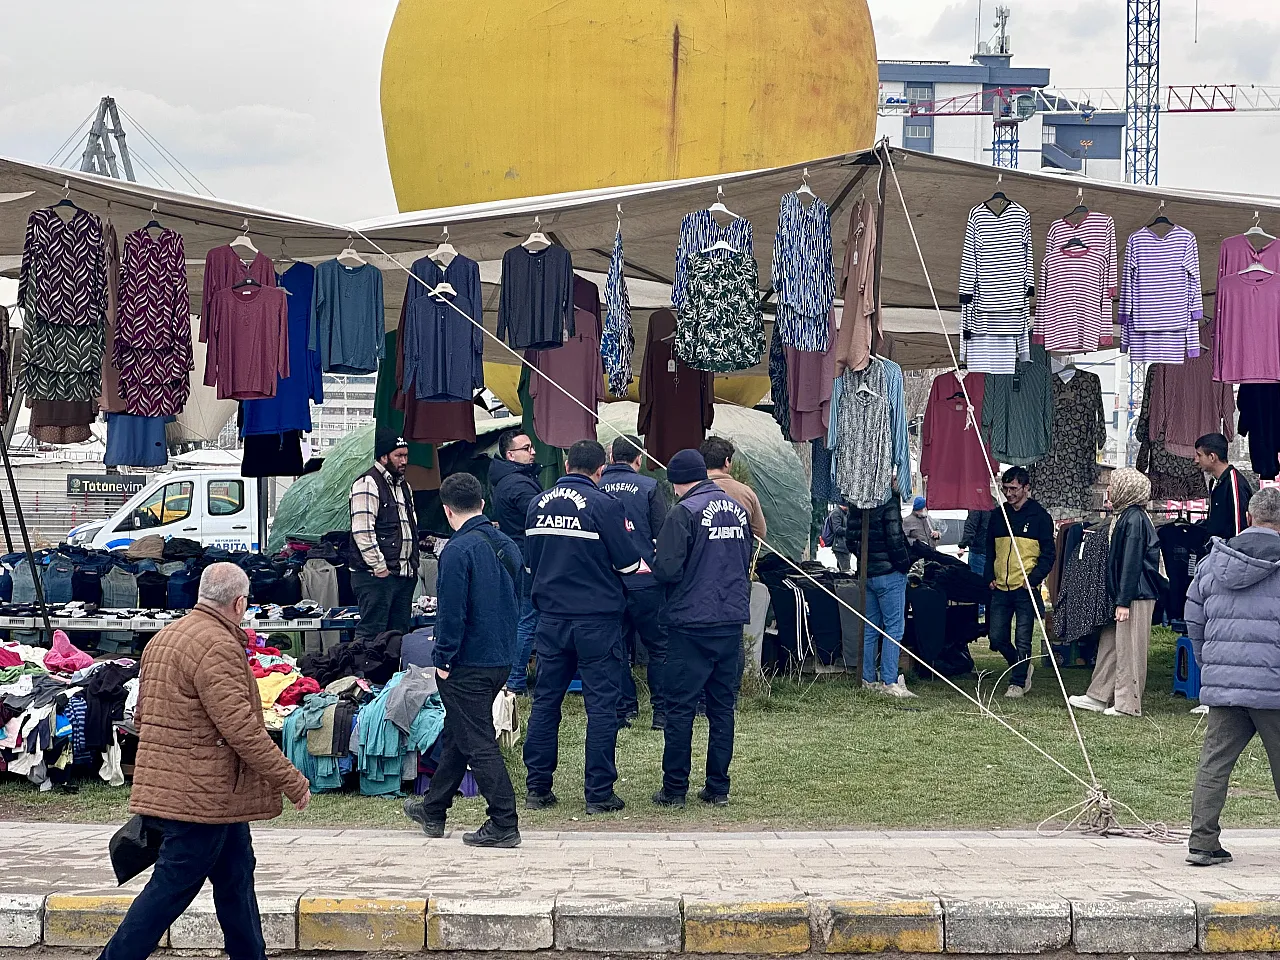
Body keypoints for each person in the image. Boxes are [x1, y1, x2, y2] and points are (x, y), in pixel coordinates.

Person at [96, 563, 310, 960]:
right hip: (202, 796)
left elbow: (142, 717)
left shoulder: (165, 637)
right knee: (170, 889)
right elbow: (242, 730)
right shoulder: (217, 646)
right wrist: (291, 779)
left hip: (196, 790)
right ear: (240, 602)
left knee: (236, 878)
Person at [522, 439, 642, 814]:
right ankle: (599, 793)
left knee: (545, 703)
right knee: (602, 706)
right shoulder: (606, 506)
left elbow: (530, 567)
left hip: (551, 620)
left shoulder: (535, 505)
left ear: (566, 463)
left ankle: (537, 788)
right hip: (597, 621)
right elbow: (628, 565)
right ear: (600, 469)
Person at [403, 473, 522, 847]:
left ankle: (504, 821)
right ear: (482, 503)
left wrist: (443, 658)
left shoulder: (457, 550)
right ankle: (433, 809)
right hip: (501, 655)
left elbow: (450, 613)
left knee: (478, 741)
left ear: (447, 510)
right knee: (459, 733)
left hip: (466, 662)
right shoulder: (506, 544)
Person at [1184, 485, 1280, 867]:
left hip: (1225, 685)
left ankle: (1201, 842)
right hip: (1274, 686)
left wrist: (1211, 664)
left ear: (1250, 517)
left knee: (1214, 763)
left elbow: (1193, 617)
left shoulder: (1213, 563)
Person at [651, 449, 753, 808]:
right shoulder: (737, 510)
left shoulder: (683, 512)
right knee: (722, 708)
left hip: (690, 623)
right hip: (730, 620)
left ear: (677, 482)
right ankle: (718, 788)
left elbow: (667, 570)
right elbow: (745, 556)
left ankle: (674, 789)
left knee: (680, 709)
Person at [1068, 468, 1163, 718]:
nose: (1109, 490)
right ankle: (1098, 695)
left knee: (1130, 649)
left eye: (1113, 484)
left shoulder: (1134, 519)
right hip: (1126, 594)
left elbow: (1131, 563)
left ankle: (1127, 703)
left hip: (1135, 595)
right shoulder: (1126, 516)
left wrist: (1123, 601)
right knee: (1111, 644)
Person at [599, 435, 670, 729]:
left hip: (607, 582)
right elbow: (663, 536)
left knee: (614, 649)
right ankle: (662, 713)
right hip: (645, 581)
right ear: (639, 460)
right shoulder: (651, 487)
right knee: (659, 648)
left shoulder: (595, 488)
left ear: (610, 456)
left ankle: (624, 710)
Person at [985, 466, 1056, 698]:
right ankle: (1021, 666)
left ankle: (1017, 682)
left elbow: (1049, 554)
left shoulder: (1040, 517)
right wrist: (990, 578)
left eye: (1014, 488)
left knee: (1023, 638)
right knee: (996, 637)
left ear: (1026, 488)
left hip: (1025, 588)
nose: (1009, 493)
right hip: (1001, 588)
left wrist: (1033, 579)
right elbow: (989, 550)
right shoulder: (998, 515)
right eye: (1005, 488)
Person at [348, 429, 419, 642]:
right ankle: (365, 676)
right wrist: (379, 568)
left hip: (402, 575)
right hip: (376, 576)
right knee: (371, 634)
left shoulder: (404, 486)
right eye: (399, 456)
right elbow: (362, 530)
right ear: (383, 456)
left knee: (398, 636)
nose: (404, 461)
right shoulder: (367, 483)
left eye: (406, 455)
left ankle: (393, 675)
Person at [489, 428, 543, 694]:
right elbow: (538, 516)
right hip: (526, 556)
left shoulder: (507, 480)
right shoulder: (518, 485)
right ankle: (516, 680)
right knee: (528, 618)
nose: (532, 452)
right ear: (510, 454)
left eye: (532, 447)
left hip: (516, 554)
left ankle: (518, 678)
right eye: (526, 448)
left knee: (525, 617)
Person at [846, 496, 916, 698]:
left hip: (866, 572)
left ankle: (867, 679)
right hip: (889, 573)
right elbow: (895, 539)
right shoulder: (888, 501)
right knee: (893, 628)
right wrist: (904, 564)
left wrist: (864, 557)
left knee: (870, 628)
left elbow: (850, 540)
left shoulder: (856, 501)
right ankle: (889, 681)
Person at [700, 436, 767, 541]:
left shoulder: (693, 491)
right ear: (727, 461)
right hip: (737, 555)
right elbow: (760, 532)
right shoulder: (747, 493)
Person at [1194, 433, 1253, 540]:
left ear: (1212, 457)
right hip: (1216, 549)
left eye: (1199, 455)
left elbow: (1240, 528)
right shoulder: (1214, 482)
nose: (1196, 460)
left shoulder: (1234, 482)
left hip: (1229, 552)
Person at [960, 504, 991, 580]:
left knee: (976, 581)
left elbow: (970, 526)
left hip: (978, 550)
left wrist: (963, 545)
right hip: (992, 551)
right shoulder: (995, 503)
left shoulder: (976, 505)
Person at [821, 503, 852, 573]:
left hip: (844, 546)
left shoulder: (844, 513)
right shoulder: (836, 513)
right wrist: (850, 531)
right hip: (840, 546)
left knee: (843, 570)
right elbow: (837, 529)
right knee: (846, 570)